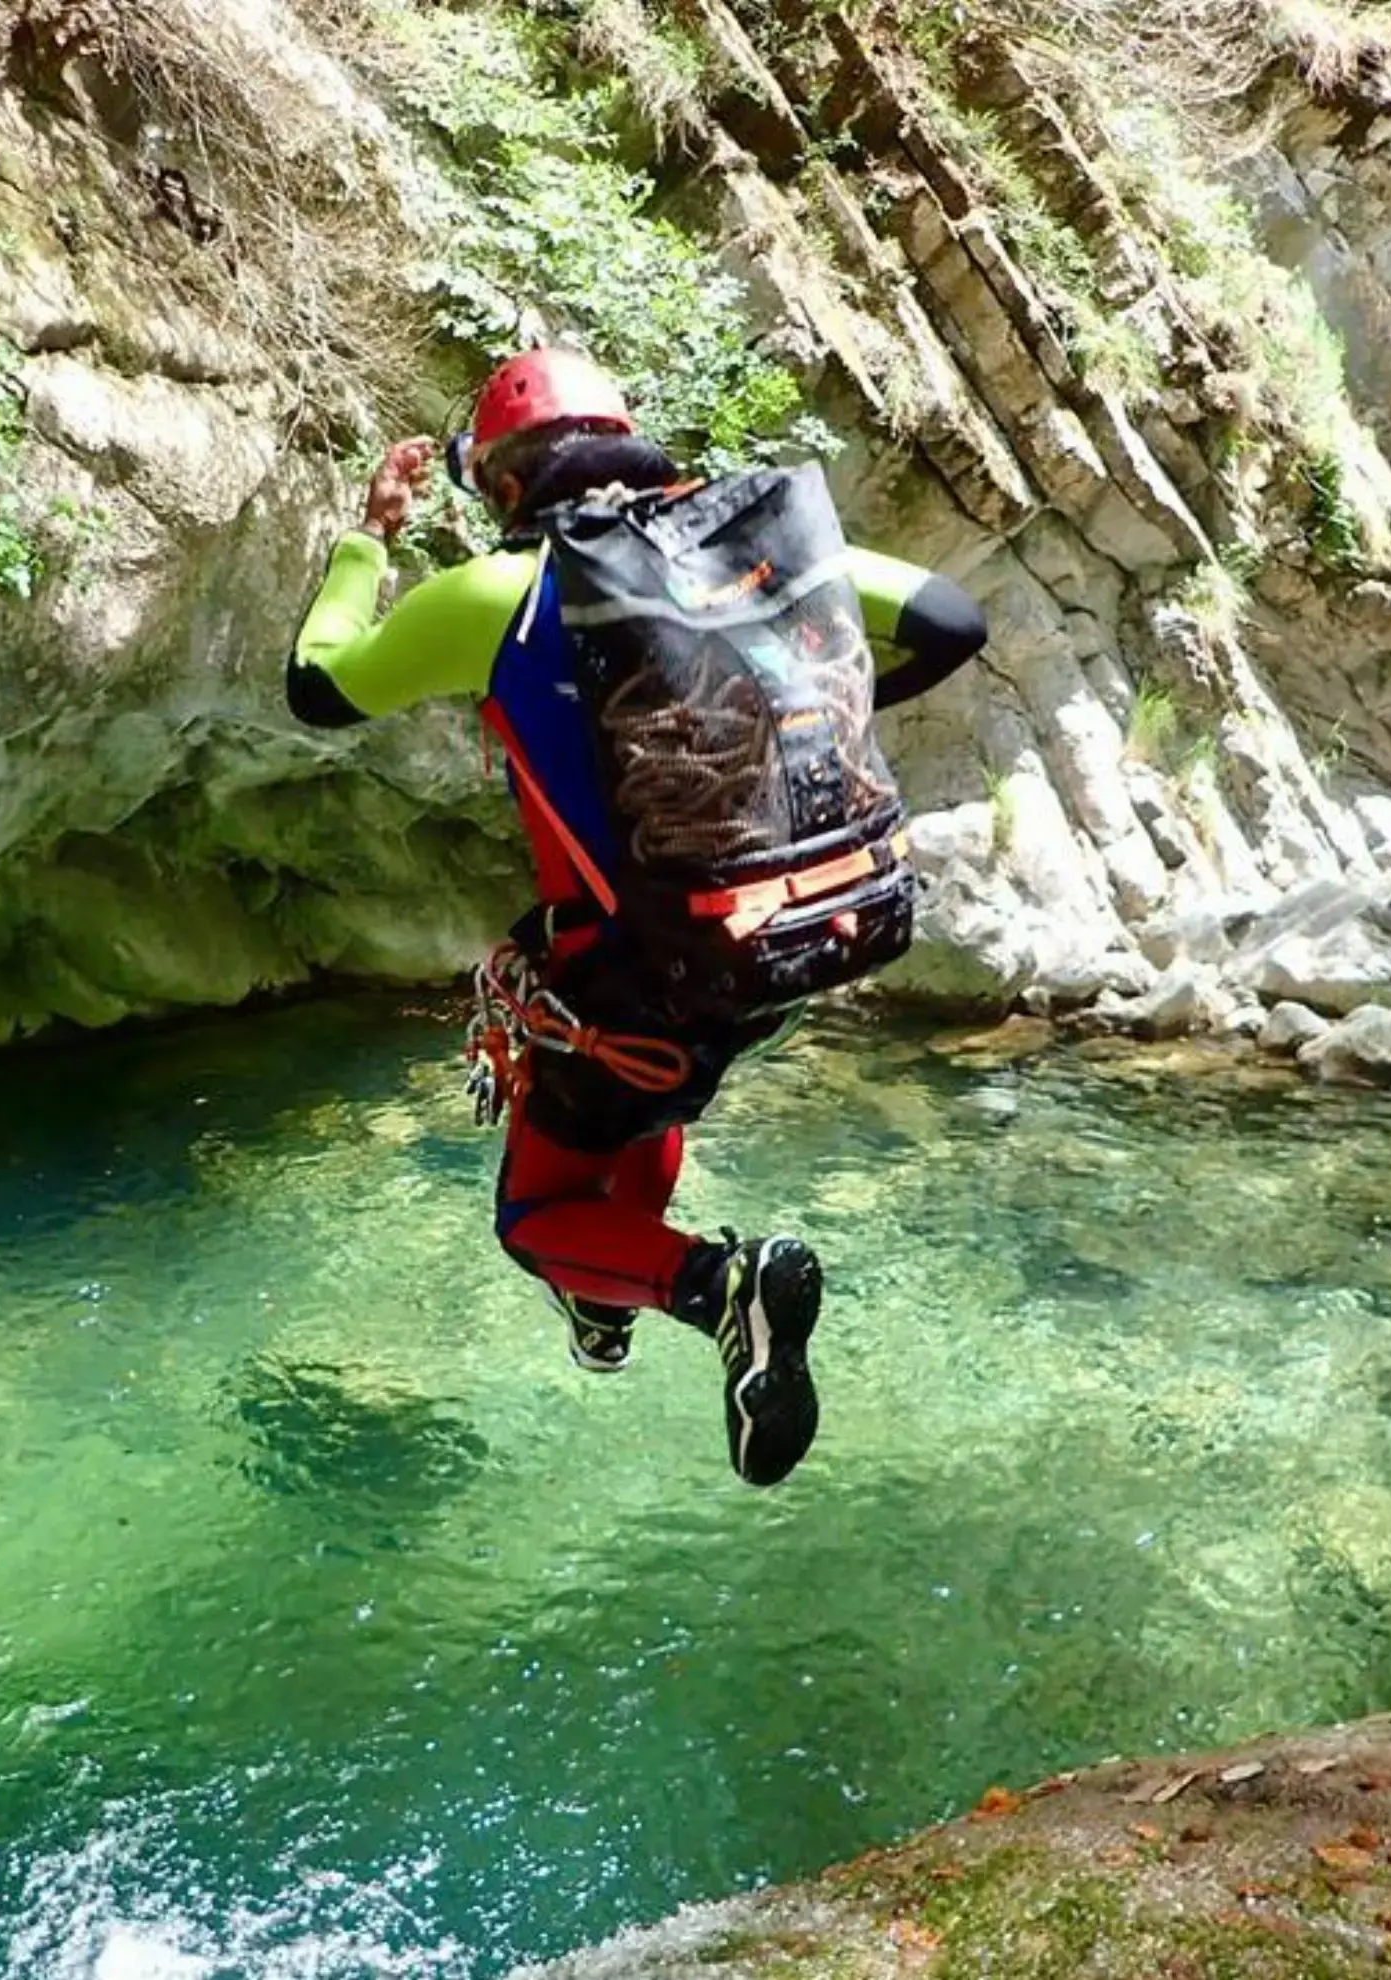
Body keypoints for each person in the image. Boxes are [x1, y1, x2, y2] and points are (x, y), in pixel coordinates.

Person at [285, 349, 987, 1486]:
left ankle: (718, 1287)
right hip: (787, 942)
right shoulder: (752, 558)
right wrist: (796, 712)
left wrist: (367, 539)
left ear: (504, 487)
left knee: (534, 1212)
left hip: (639, 976)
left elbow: (317, 687)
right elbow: (953, 621)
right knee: (627, 1110)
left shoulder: (498, 595)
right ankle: (605, 1301)